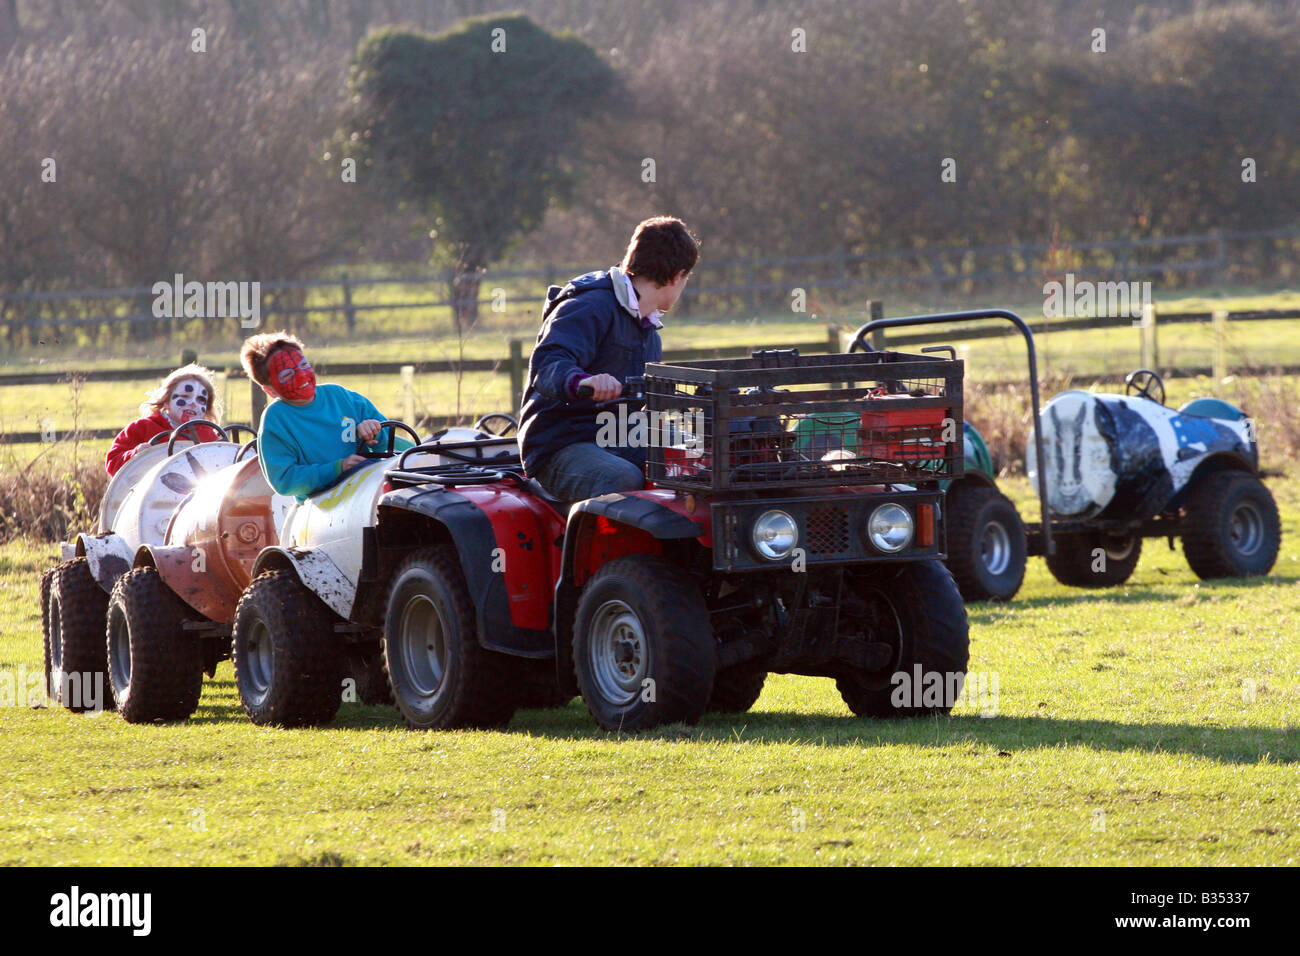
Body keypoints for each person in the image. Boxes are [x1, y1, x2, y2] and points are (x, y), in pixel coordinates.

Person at [518, 216, 699, 501]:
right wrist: (584, 380)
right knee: (621, 478)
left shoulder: (649, 332)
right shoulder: (589, 305)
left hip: (616, 435)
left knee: (695, 455)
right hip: (561, 444)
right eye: (686, 279)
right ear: (677, 276)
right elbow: (548, 363)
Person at [240, 331, 412, 501]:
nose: (301, 376)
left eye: (304, 365)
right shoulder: (276, 420)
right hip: (317, 505)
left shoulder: (341, 397)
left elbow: (393, 442)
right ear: (270, 391)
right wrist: (337, 468)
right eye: (287, 375)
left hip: (367, 490)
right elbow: (284, 481)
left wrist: (375, 432)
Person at [105, 364, 222, 476]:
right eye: (185, 396)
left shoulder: (209, 436)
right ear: (166, 401)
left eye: (201, 400)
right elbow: (112, 463)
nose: (193, 404)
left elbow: (221, 467)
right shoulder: (142, 427)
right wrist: (135, 455)